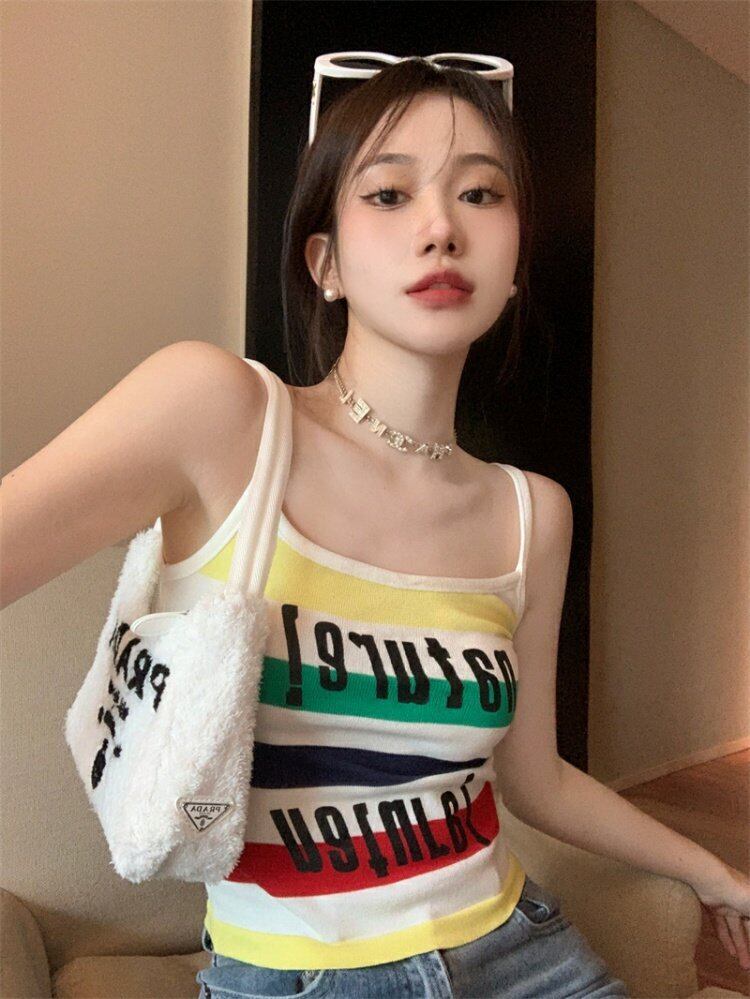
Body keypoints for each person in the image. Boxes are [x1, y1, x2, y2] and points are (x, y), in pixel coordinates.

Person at [2, 55, 748, 999]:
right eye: (390, 194)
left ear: (514, 266)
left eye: (480, 193)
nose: (441, 227)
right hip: (297, 978)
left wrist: (713, 870)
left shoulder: (533, 513)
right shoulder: (221, 416)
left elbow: (539, 782)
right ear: (325, 264)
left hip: (525, 954)